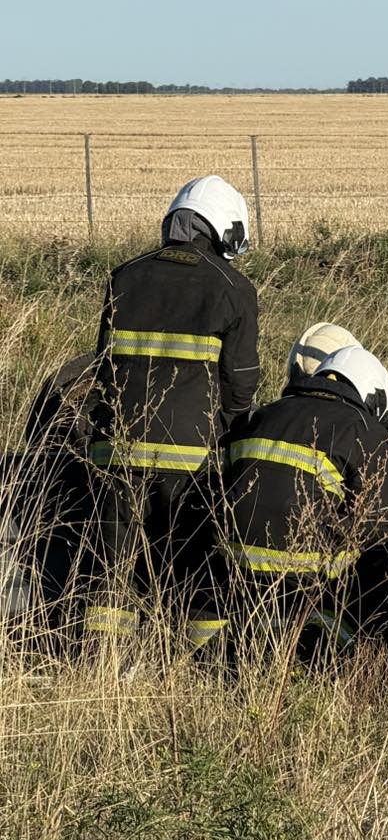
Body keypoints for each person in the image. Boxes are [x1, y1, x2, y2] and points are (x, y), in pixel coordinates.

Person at [84, 175, 259, 642]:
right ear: (224, 229)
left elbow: (103, 367)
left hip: (114, 450)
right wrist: (219, 433)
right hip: (191, 458)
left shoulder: (125, 275)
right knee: (190, 562)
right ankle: (196, 668)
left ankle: (105, 663)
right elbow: (241, 386)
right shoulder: (232, 287)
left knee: (112, 571)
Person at [214, 344, 388, 658]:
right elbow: (379, 522)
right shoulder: (363, 428)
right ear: (372, 394)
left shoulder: (265, 412)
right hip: (300, 577)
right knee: (380, 555)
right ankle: (334, 646)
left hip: (233, 562)